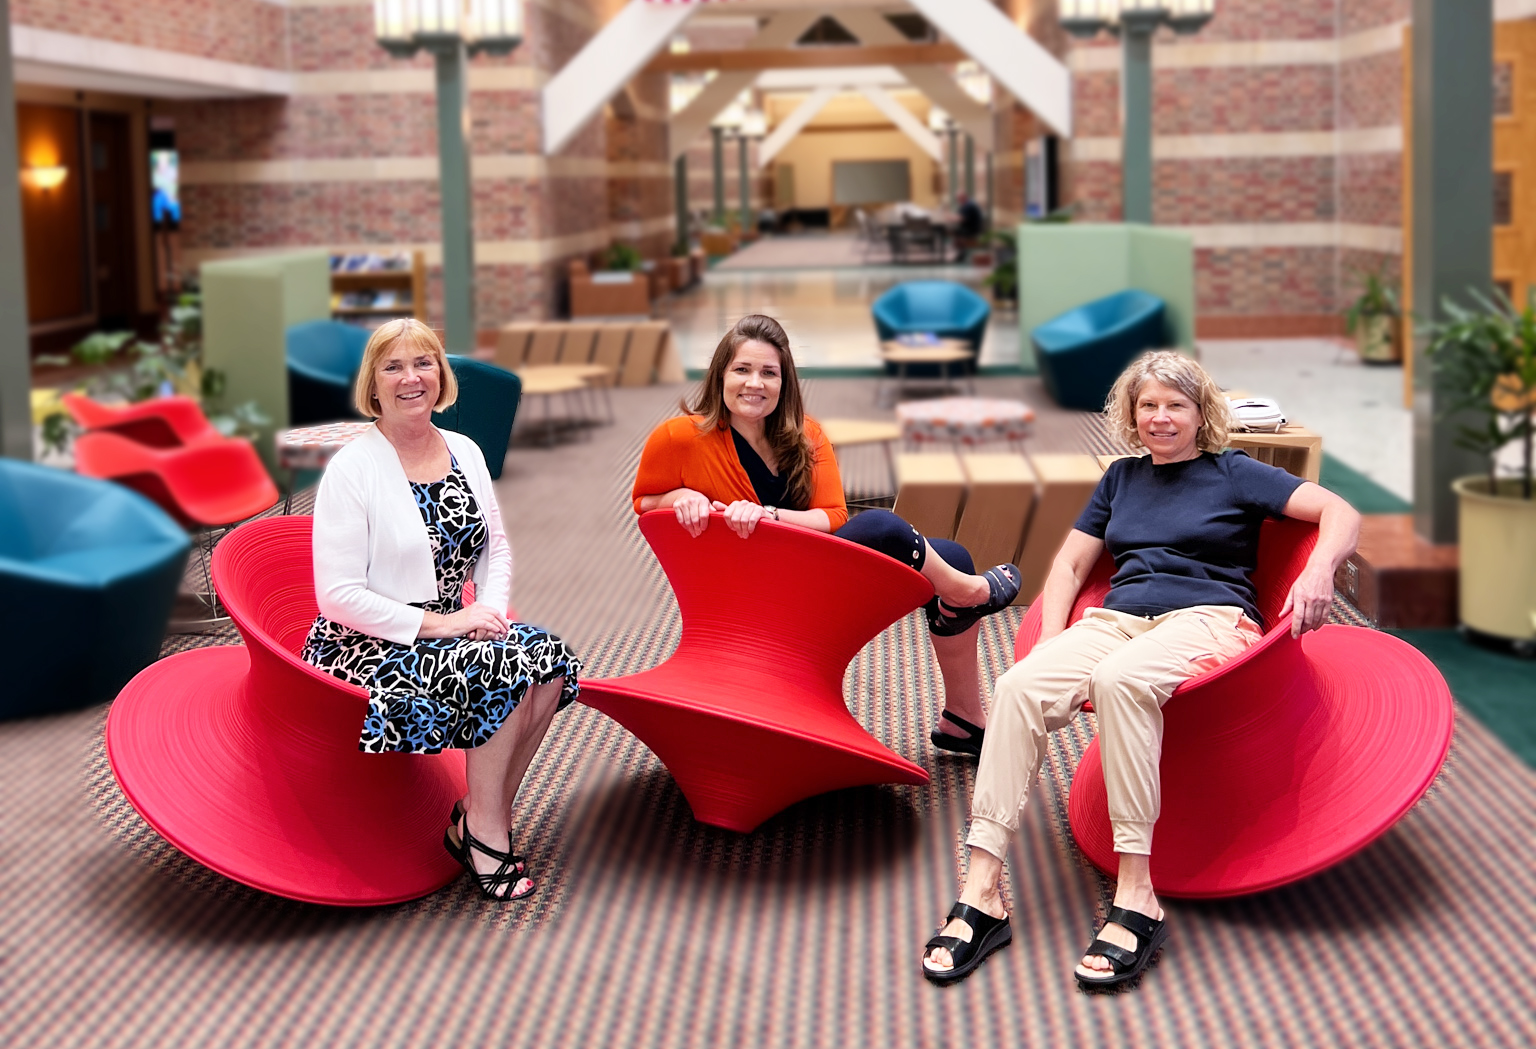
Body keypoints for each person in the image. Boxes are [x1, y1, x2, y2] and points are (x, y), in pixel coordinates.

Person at [922, 349, 1361, 989]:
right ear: (1131, 414)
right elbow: (1071, 567)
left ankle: (1136, 894)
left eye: (1174, 405)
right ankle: (983, 888)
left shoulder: (1234, 472)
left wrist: (1321, 568)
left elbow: (1341, 512)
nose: (1160, 418)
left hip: (1208, 620)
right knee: (1018, 686)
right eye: (1147, 405)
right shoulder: (1120, 479)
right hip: (1118, 622)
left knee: (1121, 681)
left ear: (1199, 412)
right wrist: (1048, 641)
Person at [631, 315, 1021, 744]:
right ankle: (969, 593)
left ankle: (963, 719)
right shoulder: (679, 437)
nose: (754, 383)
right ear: (720, 375)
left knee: (950, 556)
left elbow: (832, 516)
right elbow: (645, 502)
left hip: (806, 571)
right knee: (881, 527)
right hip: (748, 595)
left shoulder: (806, 434)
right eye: (741, 370)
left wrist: (768, 515)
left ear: (785, 383)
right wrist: (681, 498)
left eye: (768, 373)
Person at [305, 316, 581, 902]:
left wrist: (493, 615)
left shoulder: (464, 449)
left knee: (551, 662)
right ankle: (486, 833)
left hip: (455, 628)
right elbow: (338, 596)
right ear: (373, 384)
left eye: (423, 363)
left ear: (441, 374)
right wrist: (448, 624)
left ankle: (478, 815)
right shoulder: (352, 469)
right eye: (394, 366)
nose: (412, 377)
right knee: (505, 672)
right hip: (370, 639)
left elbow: (495, 548)